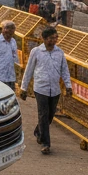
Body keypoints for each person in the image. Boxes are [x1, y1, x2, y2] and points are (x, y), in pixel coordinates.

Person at [20, 26, 72, 155]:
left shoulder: (59, 53)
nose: (54, 41)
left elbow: (64, 70)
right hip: (40, 88)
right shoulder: (36, 52)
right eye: (51, 38)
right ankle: (46, 143)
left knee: (49, 116)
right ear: (44, 39)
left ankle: (39, 131)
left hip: (55, 90)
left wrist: (68, 86)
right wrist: (23, 88)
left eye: (55, 38)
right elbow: (29, 70)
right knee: (43, 114)